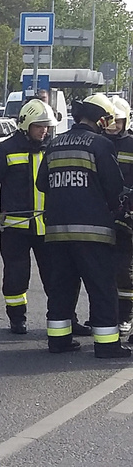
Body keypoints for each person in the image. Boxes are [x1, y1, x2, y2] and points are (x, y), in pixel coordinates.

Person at [0, 99, 89, 335]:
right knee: (16, 277)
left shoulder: (54, 148)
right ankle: (17, 318)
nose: (44, 131)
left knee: (58, 278)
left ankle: (68, 319)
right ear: (26, 125)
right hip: (16, 228)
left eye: (47, 126)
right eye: (39, 126)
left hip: (50, 228)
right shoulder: (5, 150)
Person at [36, 93, 129, 358]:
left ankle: (58, 340)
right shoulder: (100, 145)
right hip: (93, 232)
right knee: (101, 287)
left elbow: (42, 183)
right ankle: (107, 345)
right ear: (100, 119)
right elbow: (114, 187)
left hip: (56, 231)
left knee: (62, 287)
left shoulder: (54, 144)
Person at [104, 96, 133, 336]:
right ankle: (105, 316)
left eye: (117, 121)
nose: (113, 126)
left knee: (124, 271)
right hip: (100, 217)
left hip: (127, 220)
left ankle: (125, 316)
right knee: (100, 271)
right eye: (109, 121)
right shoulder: (98, 144)